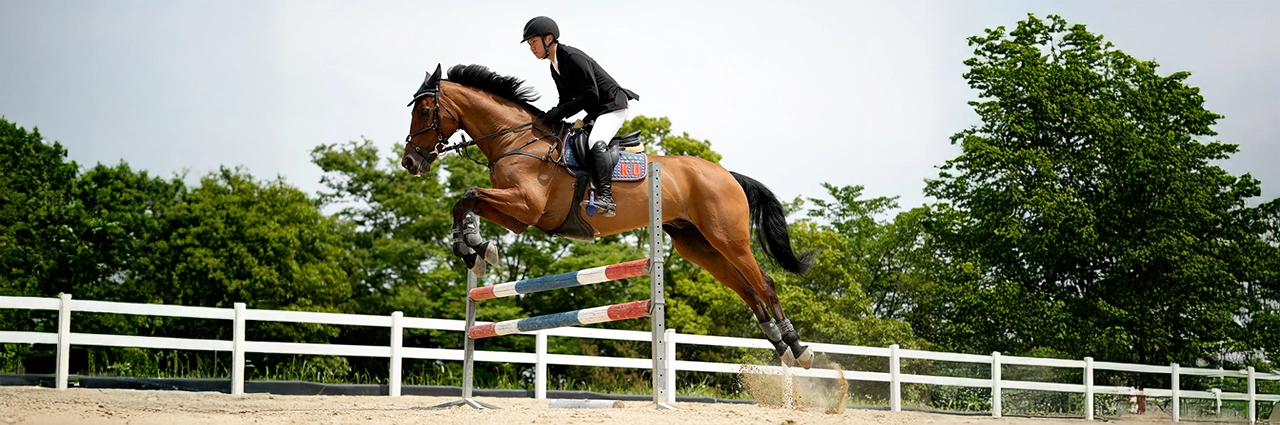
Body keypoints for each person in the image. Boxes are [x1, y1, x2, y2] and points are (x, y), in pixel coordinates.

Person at [522, 16, 639, 218]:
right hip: (596, 110)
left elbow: (591, 93)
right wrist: (550, 116)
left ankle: (606, 198)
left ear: (548, 38)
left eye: (533, 42)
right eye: (530, 44)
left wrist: (561, 111)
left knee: (595, 140)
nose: (531, 48)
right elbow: (565, 99)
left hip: (612, 105)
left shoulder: (572, 57)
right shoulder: (555, 66)